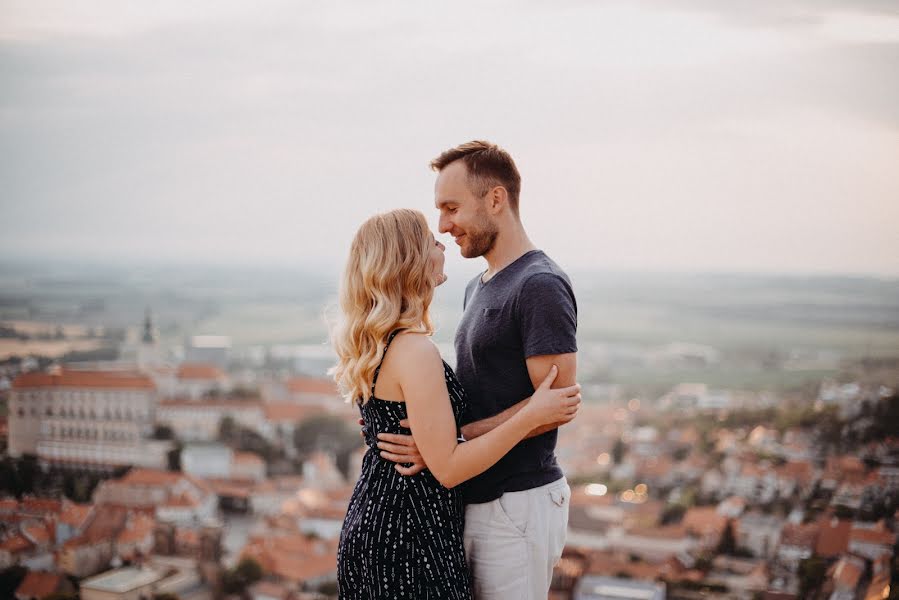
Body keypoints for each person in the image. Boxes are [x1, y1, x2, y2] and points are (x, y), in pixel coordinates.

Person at [333, 208, 581, 599]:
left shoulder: (381, 342)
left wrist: (442, 442)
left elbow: (432, 441)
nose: (442, 242)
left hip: (383, 519)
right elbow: (448, 468)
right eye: (431, 240)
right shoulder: (414, 349)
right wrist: (531, 414)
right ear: (409, 259)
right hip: (408, 535)